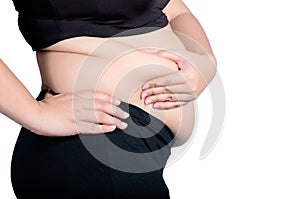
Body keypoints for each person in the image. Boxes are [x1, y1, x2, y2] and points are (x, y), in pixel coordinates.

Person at [0, 0, 217, 198]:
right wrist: (35, 114)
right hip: (96, 152)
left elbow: (173, 8)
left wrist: (205, 60)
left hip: (118, 156)